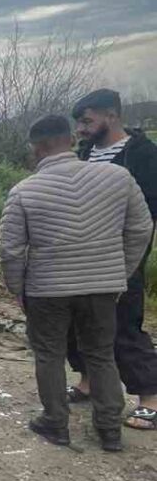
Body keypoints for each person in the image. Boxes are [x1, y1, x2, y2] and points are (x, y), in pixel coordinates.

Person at [0, 115, 152, 451]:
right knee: (101, 354)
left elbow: (10, 252)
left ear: (36, 148)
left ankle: (55, 423)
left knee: (49, 355)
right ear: (70, 140)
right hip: (102, 287)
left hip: (47, 290)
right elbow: (141, 229)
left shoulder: (24, 191)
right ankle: (110, 429)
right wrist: (119, 272)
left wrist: (18, 290)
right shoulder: (118, 178)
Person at [68, 89, 157, 432]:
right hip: (82, 252)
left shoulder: (142, 155)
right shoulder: (86, 153)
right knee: (79, 321)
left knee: (122, 323)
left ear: (112, 116)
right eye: (79, 122)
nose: (81, 128)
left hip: (122, 254)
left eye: (87, 121)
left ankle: (149, 397)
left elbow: (147, 212)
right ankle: (88, 381)